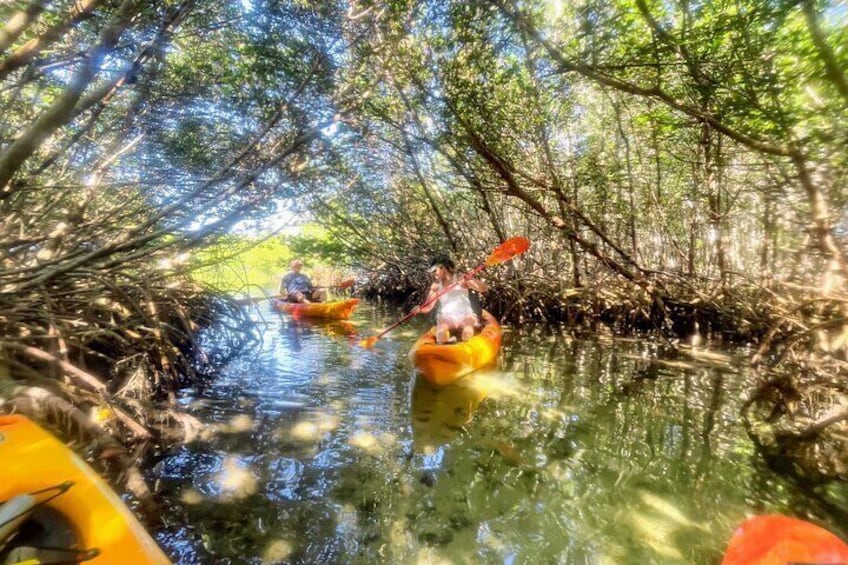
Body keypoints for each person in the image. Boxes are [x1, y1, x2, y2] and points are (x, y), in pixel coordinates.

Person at [414, 254, 488, 344]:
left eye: (434, 271)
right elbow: (428, 307)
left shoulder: (461, 278)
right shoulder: (436, 286)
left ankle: (465, 346)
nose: (432, 274)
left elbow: (484, 288)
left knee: (468, 327)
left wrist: (470, 282)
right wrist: (419, 309)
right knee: (441, 328)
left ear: (443, 268)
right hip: (447, 316)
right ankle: (443, 346)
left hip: (465, 314)